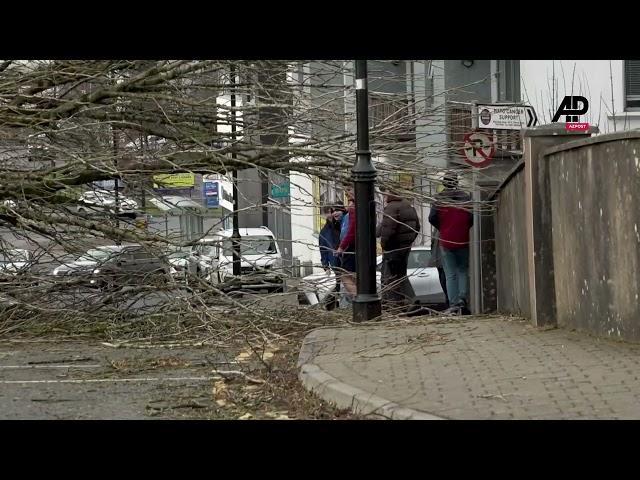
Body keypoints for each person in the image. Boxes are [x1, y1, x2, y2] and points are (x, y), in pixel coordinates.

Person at [428, 171, 473, 314]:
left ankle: (453, 303)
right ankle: (462, 300)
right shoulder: (466, 198)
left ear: (444, 183)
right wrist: (464, 228)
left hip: (446, 240)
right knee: (462, 270)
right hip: (462, 239)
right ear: (457, 182)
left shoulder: (439, 199)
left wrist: (443, 227)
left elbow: (432, 218)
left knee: (450, 273)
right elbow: (471, 218)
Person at [379, 186, 420, 308]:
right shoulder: (408, 206)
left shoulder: (391, 207)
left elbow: (387, 230)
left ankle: (392, 304)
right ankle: (411, 300)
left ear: (390, 192)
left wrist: (384, 245)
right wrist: (408, 241)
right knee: (401, 275)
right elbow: (417, 227)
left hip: (393, 248)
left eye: (385, 192)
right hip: (405, 248)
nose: (383, 195)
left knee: (388, 277)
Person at [336, 189, 356, 306]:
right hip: (356, 247)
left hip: (352, 247)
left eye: (348, 189)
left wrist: (341, 247)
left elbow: (351, 231)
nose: (346, 193)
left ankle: (357, 300)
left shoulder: (353, 207)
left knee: (345, 274)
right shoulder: (354, 207)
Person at [429, 229, 449, 309]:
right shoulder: (437, 229)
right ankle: (449, 303)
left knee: (445, 280)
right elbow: (433, 242)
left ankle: (450, 303)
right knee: (443, 281)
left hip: (444, 259)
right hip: (438, 259)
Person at [318, 206, 340, 272]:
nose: (330, 214)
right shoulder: (324, 231)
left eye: (331, 212)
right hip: (335, 262)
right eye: (328, 212)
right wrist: (326, 266)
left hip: (346, 259)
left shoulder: (341, 224)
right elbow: (323, 249)